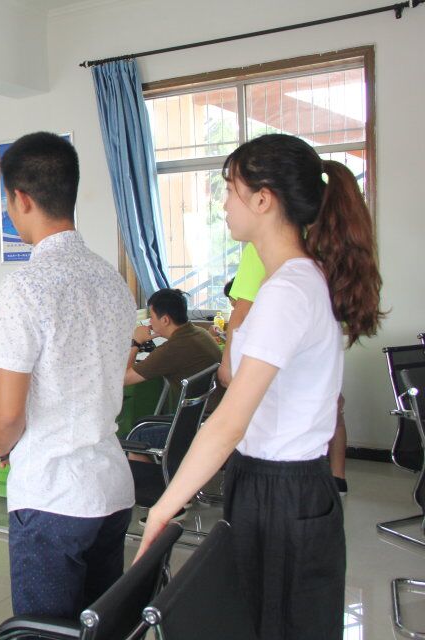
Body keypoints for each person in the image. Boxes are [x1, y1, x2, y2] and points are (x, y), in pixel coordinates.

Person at [137, 133, 383, 639]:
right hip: (274, 484)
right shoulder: (292, 280)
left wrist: (163, 507)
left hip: (283, 491)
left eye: (230, 189)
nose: (224, 204)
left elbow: (229, 420)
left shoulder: (289, 290)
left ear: (264, 199)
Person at [0, 132, 135, 619]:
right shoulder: (111, 280)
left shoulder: (25, 286)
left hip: (52, 495)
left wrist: (1, 447)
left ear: (21, 199)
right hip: (111, 488)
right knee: (98, 628)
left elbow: (7, 414)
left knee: (44, 631)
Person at [222, 243, 350, 493]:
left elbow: (242, 312)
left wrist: (228, 363)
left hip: (279, 471)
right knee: (333, 410)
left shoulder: (268, 261)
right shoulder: (316, 256)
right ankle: (338, 477)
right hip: (306, 466)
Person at [123, 287, 224, 451]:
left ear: (165, 320)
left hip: (200, 423)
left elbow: (124, 379)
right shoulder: (200, 333)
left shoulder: (172, 349)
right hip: (212, 416)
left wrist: (136, 342)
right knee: (143, 427)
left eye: (151, 317)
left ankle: (145, 468)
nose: (150, 322)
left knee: (136, 437)